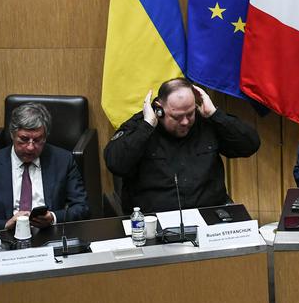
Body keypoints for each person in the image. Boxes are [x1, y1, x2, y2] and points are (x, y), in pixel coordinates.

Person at [104, 77, 260, 213]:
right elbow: (116, 164)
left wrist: (215, 114)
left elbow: (250, 145)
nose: (185, 122)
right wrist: (146, 127)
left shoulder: (206, 121)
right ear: (159, 108)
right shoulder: (142, 126)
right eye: (177, 117)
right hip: (155, 222)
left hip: (209, 218)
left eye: (190, 113)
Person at [0, 102, 90, 231]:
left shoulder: (63, 161)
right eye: (24, 139)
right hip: (5, 238)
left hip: (48, 234)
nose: (30, 147)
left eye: (37, 140)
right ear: (12, 135)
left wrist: (53, 217)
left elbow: (82, 207)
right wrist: (5, 225)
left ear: (45, 137)